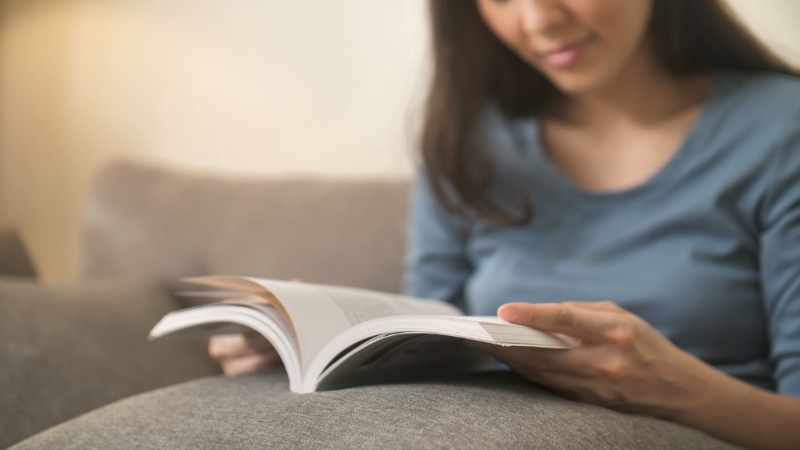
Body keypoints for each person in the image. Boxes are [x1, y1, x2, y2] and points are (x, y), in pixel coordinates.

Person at [208, 1, 800, 448]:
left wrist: (672, 388)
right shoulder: (470, 141)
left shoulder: (779, 130)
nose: (539, 19)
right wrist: (314, 339)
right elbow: (426, 331)